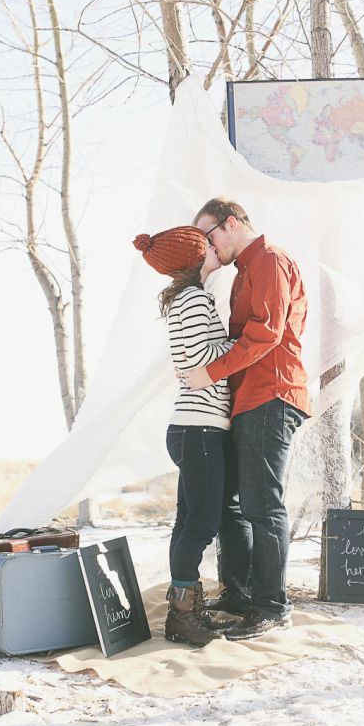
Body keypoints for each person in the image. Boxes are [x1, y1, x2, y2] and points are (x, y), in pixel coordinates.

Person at [183, 198, 309, 640]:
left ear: (231, 223)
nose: (208, 248)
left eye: (210, 236)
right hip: (246, 401)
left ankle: (273, 606)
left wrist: (209, 374)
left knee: (262, 504)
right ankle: (239, 594)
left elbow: (265, 333)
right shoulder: (241, 273)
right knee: (229, 503)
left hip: (272, 396)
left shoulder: (270, 261)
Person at [133, 225, 236, 648]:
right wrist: (242, 345)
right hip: (199, 429)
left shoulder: (190, 298)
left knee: (191, 520)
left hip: (195, 428)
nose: (215, 248)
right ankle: (182, 614)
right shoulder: (193, 298)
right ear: (195, 258)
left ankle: (186, 608)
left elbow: (192, 359)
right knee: (203, 521)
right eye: (207, 245)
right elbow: (199, 358)